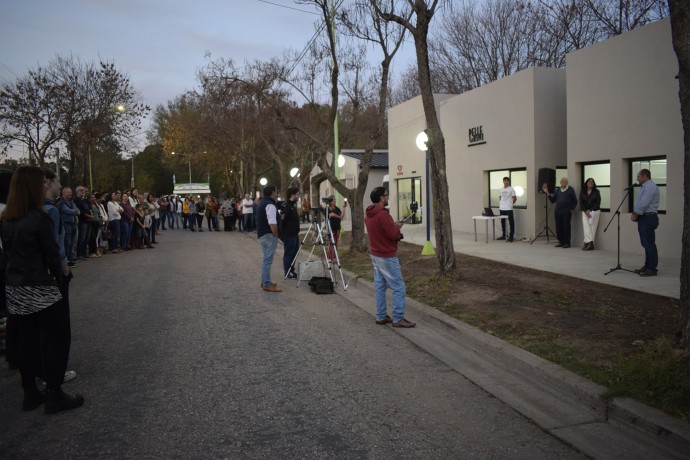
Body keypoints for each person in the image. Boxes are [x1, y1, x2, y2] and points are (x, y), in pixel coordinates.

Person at [0, 166, 84, 414]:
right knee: (58, 338)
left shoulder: (6, 220)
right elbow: (52, 256)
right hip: (40, 286)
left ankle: (30, 393)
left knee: (27, 341)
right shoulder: (39, 218)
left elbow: (8, 254)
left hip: (16, 287)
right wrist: (62, 276)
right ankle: (54, 393)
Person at [365, 186, 415, 328]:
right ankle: (398, 318)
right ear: (381, 197)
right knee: (399, 286)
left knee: (380, 286)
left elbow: (381, 230)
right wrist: (397, 231)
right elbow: (392, 235)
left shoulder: (369, 214)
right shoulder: (383, 214)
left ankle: (381, 316)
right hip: (386, 256)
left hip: (375, 255)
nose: (387, 198)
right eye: (386, 195)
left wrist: (394, 225)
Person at [631, 168, 660, 277]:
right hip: (644, 218)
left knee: (649, 244)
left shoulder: (650, 187)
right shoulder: (645, 187)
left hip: (648, 218)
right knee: (646, 243)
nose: (637, 179)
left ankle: (652, 268)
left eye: (638, 176)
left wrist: (636, 213)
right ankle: (647, 266)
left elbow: (644, 202)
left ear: (644, 176)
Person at [257, 185, 281, 292]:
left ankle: (265, 281)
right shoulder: (270, 204)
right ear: (272, 192)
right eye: (276, 192)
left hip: (263, 234)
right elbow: (272, 222)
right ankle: (267, 283)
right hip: (268, 234)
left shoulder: (262, 202)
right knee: (268, 260)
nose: (277, 194)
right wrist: (276, 234)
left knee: (266, 259)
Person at [543, 177, 577, 248]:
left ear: (567, 183)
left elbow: (575, 201)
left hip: (566, 212)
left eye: (565, 181)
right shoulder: (558, 190)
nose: (564, 183)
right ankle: (561, 242)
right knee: (558, 227)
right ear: (560, 183)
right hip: (558, 212)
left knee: (566, 227)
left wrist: (571, 209)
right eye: (562, 181)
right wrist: (547, 193)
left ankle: (567, 243)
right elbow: (553, 200)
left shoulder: (570, 190)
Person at [281, 187, 300, 279]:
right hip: (289, 235)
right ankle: (287, 271)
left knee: (294, 254)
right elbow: (282, 222)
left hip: (295, 235)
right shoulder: (287, 207)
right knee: (289, 254)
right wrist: (282, 235)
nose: (298, 196)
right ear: (292, 195)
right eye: (297, 194)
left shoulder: (293, 206)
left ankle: (292, 270)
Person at [57, 187, 79, 266]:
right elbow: (67, 211)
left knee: (72, 242)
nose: (71, 193)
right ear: (64, 193)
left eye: (71, 192)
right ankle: (67, 260)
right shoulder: (61, 203)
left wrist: (74, 211)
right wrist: (73, 211)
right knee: (67, 242)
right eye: (69, 192)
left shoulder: (71, 202)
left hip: (73, 224)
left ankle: (70, 258)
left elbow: (78, 211)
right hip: (66, 225)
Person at [579, 178, 601, 251]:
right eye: (589, 182)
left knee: (592, 227)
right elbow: (581, 203)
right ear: (586, 183)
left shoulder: (596, 192)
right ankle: (590, 243)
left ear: (593, 184)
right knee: (586, 226)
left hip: (595, 211)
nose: (590, 183)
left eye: (592, 182)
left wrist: (590, 210)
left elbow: (598, 202)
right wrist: (586, 211)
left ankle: (587, 243)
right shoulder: (582, 192)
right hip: (585, 212)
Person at [497, 177, 516, 242]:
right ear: (503, 182)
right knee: (503, 222)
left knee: (511, 222)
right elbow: (500, 198)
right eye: (505, 181)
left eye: (507, 181)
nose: (506, 182)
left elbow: (514, 198)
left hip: (509, 208)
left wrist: (510, 204)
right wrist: (502, 204)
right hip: (502, 208)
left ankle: (511, 237)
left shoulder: (511, 189)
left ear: (509, 182)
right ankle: (504, 235)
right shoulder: (500, 189)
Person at [325, 195, 343, 260]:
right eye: (333, 200)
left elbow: (342, 216)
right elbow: (331, 214)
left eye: (335, 199)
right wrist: (339, 216)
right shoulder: (327, 208)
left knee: (336, 242)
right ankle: (329, 257)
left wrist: (344, 208)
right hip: (331, 227)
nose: (334, 201)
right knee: (331, 242)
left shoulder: (337, 208)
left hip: (337, 227)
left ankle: (334, 256)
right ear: (330, 201)